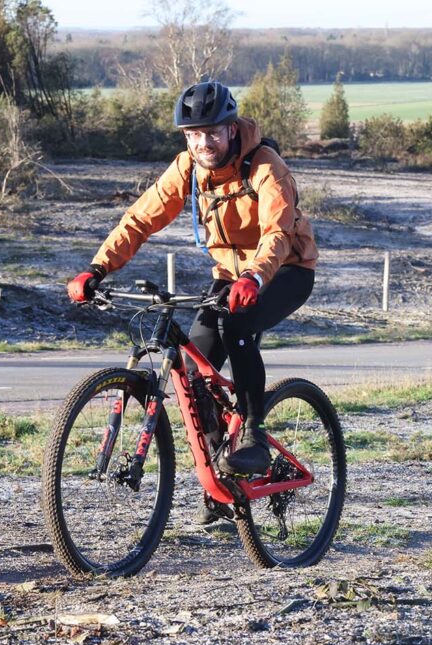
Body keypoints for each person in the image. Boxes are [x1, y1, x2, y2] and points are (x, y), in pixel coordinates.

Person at [67, 80, 317, 482]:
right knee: (195, 372)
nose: (203, 143)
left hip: (285, 268)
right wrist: (98, 268)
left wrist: (254, 275)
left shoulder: (266, 166)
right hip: (229, 276)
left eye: (212, 133)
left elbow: (277, 232)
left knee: (237, 325)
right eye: (194, 135)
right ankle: (221, 477)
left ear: (231, 129)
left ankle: (254, 435)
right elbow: (141, 218)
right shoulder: (189, 167)